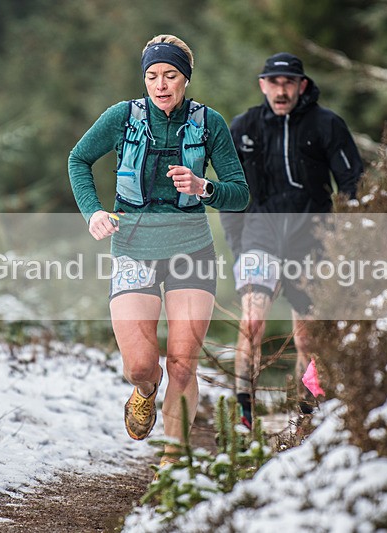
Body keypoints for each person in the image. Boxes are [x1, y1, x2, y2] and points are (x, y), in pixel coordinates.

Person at [68, 35, 249, 465]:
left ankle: (174, 458)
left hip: (192, 250)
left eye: (170, 75)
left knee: (182, 363)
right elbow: (78, 160)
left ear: (185, 78)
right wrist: (93, 212)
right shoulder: (122, 118)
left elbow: (239, 193)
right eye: (152, 76)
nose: (161, 84)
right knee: (142, 364)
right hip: (133, 249)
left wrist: (205, 187)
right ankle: (145, 391)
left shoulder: (210, 124)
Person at [220, 52, 363, 428]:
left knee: (307, 338)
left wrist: (342, 238)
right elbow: (231, 193)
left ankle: (308, 413)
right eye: (274, 83)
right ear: (262, 85)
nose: (281, 91)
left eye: (288, 83)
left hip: (311, 238)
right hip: (258, 235)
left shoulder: (327, 124)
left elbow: (353, 184)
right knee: (252, 322)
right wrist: (237, 243)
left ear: (301, 85)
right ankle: (243, 412)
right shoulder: (244, 127)